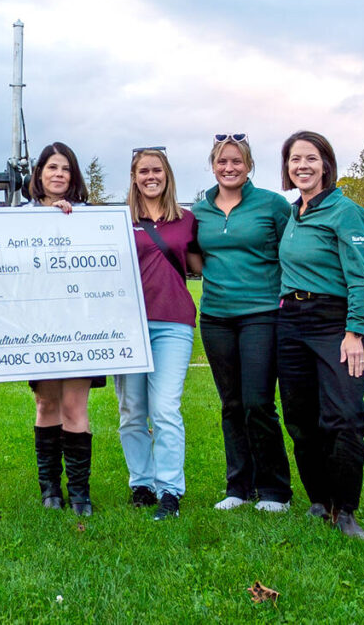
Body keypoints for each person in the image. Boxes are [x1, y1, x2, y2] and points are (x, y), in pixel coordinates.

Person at [277, 131, 364, 539]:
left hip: (334, 323)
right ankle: (320, 500)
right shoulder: (292, 213)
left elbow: (360, 278)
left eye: (311, 158)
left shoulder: (344, 211)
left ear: (326, 165)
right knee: (300, 418)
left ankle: (346, 510)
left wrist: (354, 332)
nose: (302, 166)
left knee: (343, 417)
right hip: (292, 321)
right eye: (295, 159)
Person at [192, 134, 293, 513]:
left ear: (249, 165)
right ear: (213, 166)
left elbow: (292, 252)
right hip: (216, 316)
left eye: (236, 161)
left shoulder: (272, 204)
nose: (229, 168)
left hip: (263, 314)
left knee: (257, 402)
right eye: (222, 162)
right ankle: (239, 486)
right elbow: (195, 258)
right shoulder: (200, 210)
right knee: (231, 403)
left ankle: (274, 490)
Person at [116, 147, 202, 521]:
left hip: (173, 322)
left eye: (157, 170)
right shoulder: (118, 219)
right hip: (128, 326)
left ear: (167, 175)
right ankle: (142, 483)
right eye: (143, 171)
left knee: (165, 408)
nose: (151, 176)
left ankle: (170, 490)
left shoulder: (187, 220)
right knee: (132, 411)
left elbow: (201, 262)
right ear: (134, 177)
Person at [26, 142, 104, 517]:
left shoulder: (89, 218)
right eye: (51, 167)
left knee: (75, 406)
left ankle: (80, 493)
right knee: (46, 403)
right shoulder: (18, 218)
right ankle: (49, 489)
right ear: (39, 173)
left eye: (66, 169)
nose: (58, 174)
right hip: (37, 325)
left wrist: (66, 222)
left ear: (74, 177)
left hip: (81, 324)